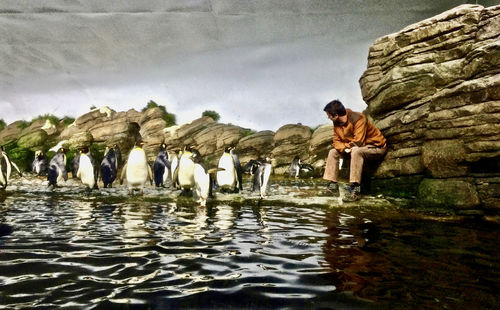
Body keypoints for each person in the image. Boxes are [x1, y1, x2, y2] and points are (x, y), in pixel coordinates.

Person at [323, 99, 387, 202]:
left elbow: (358, 142)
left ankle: (355, 189)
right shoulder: (337, 124)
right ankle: (333, 186)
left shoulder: (358, 118)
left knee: (356, 150)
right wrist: (344, 148)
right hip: (352, 149)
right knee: (332, 152)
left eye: (329, 115)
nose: (328, 117)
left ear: (335, 115)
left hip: (375, 147)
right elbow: (336, 142)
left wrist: (345, 147)